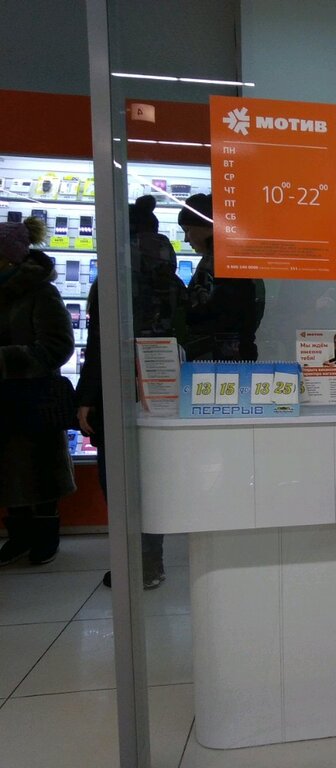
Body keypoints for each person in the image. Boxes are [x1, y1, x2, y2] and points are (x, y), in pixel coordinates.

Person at [77, 195, 187, 589]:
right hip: (164, 391)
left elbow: (101, 345)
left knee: (118, 480)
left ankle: (133, 562)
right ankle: (150, 561)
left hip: (118, 389)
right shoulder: (173, 280)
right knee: (152, 477)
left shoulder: (113, 281)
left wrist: (86, 397)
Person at [0, 217, 76, 565]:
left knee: (39, 470)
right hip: (7, 399)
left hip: (33, 398)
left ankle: (46, 536)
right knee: (8, 473)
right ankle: (19, 535)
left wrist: (7, 360)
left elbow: (58, 345)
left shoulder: (41, 292)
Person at [178, 193, 264, 361]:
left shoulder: (214, 262)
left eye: (188, 230)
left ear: (207, 227)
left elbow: (200, 314)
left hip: (214, 355)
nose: (186, 239)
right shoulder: (238, 256)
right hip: (240, 351)